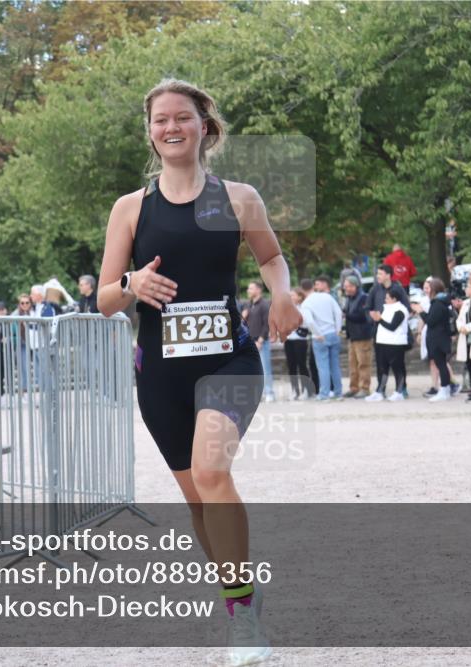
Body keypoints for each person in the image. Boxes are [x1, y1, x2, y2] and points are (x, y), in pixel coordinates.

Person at [95, 78, 299, 664]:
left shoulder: (239, 198)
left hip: (229, 360)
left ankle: (240, 619)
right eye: (160, 120)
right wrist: (132, 284)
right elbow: (105, 298)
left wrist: (280, 294)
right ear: (151, 132)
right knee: (198, 500)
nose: (171, 128)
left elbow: (272, 258)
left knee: (213, 475)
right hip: (161, 373)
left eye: (181, 117)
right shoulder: (131, 209)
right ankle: (243, 596)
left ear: (204, 126)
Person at [411, 278, 454, 401]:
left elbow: (430, 321)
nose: (427, 291)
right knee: (441, 364)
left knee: (441, 364)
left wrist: (420, 311)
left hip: (438, 338)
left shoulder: (437, 304)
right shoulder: (441, 302)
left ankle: (444, 389)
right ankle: (445, 389)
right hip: (440, 337)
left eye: (429, 288)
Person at [301, 276, 344, 400]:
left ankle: (324, 393)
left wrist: (318, 333)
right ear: (313, 286)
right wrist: (338, 329)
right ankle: (338, 392)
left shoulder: (306, 303)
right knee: (335, 365)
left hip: (319, 336)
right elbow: (338, 312)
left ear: (303, 290)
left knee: (323, 366)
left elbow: (309, 321)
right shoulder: (327, 296)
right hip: (333, 333)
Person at [369, 283, 410, 401]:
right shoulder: (386, 308)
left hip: (396, 343)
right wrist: (378, 319)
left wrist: (379, 319)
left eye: (387, 298)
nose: (385, 299)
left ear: (394, 299)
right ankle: (380, 390)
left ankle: (399, 391)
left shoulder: (400, 310)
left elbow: (392, 326)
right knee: (382, 368)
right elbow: (382, 324)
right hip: (382, 341)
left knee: (397, 368)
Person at [342, 275, 374, 399]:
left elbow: (362, 317)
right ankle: (354, 388)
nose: (347, 289)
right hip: (353, 337)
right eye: (345, 286)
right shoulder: (349, 299)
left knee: (363, 364)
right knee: (353, 365)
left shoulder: (364, 298)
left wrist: (346, 315)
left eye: (349, 286)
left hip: (363, 336)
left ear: (356, 286)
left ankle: (364, 388)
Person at [245, 280, 274, 402]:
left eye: (251, 288)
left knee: (265, 369)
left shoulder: (264, 305)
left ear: (258, 290)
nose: (248, 291)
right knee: (254, 370)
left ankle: (269, 393)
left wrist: (260, 340)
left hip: (261, 341)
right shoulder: (249, 304)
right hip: (251, 341)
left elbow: (267, 324)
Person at [284, 289, 312, 400]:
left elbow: (306, 323)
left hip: (300, 339)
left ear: (299, 297)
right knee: (291, 367)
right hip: (289, 339)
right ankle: (295, 390)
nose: (290, 297)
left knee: (302, 365)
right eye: (289, 295)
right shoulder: (286, 309)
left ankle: (306, 390)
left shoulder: (303, 308)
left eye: (293, 295)